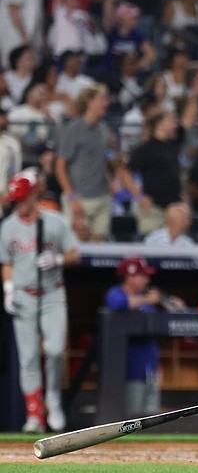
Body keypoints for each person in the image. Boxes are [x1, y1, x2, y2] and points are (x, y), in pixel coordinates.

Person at [0, 170, 79, 433]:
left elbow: (74, 254)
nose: (19, 204)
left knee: (56, 350)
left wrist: (57, 260)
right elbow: (6, 262)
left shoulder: (54, 221)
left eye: (23, 199)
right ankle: (34, 415)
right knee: (28, 357)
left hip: (52, 294)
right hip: (24, 295)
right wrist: (9, 289)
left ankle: (53, 399)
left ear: (34, 194)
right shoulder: (8, 226)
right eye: (16, 200)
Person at [104, 257, 186, 415]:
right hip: (128, 370)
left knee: (152, 416)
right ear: (129, 276)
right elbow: (117, 304)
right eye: (142, 275)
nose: (147, 279)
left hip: (150, 368)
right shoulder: (116, 293)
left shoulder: (148, 301)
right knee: (132, 415)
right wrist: (147, 299)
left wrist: (171, 303)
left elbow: (177, 314)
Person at [56, 84, 138, 241]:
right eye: (102, 99)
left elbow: (109, 160)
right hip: (79, 198)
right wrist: (71, 198)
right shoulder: (73, 129)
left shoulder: (103, 129)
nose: (106, 103)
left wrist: (113, 177)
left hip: (102, 198)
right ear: (89, 102)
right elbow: (60, 166)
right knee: (75, 246)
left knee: (100, 245)